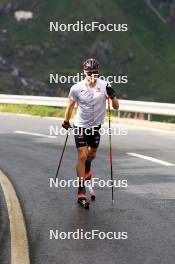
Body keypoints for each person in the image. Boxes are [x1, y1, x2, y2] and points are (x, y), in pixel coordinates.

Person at [62, 58, 119, 203]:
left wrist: (112, 96)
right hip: (80, 126)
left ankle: (88, 169)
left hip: (96, 127)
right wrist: (66, 121)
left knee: (91, 154)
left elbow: (116, 107)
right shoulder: (76, 87)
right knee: (82, 155)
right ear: (84, 72)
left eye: (95, 72)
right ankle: (81, 189)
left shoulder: (105, 85)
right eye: (89, 72)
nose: (92, 75)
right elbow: (69, 106)